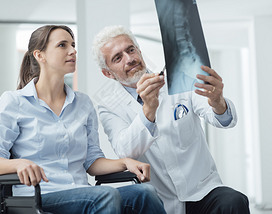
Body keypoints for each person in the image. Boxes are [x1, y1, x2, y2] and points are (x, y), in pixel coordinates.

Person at [0, 25, 166, 214]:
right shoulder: (14, 101)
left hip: (82, 195)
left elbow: (92, 162)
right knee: (106, 195)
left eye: (73, 45)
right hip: (39, 198)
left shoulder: (83, 103)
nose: (72, 51)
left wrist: (125, 162)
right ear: (39, 55)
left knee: (145, 193)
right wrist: (18, 164)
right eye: (62, 45)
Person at [92, 25, 250, 214]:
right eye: (118, 58)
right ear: (108, 73)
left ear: (139, 51)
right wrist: (148, 110)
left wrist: (217, 101)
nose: (129, 59)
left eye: (131, 49)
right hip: (159, 202)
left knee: (233, 201)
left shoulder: (179, 79)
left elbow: (220, 119)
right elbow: (125, 150)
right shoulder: (109, 106)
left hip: (202, 190)